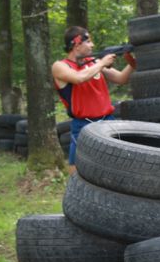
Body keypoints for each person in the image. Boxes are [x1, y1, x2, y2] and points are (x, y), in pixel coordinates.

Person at [52, 26, 136, 173]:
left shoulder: (92, 63)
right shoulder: (60, 66)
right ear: (77, 45)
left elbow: (121, 78)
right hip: (84, 125)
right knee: (76, 174)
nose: (92, 45)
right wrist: (102, 62)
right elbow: (79, 78)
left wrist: (131, 62)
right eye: (89, 41)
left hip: (108, 121)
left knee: (119, 169)